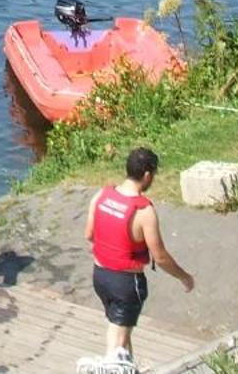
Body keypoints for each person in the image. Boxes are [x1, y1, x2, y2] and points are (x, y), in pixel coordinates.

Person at [82, 147, 194, 368]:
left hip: (100, 276)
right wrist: (184, 277)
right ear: (147, 175)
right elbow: (160, 257)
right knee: (116, 347)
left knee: (122, 331)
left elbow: (88, 234)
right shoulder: (144, 211)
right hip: (126, 283)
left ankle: (129, 367)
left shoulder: (102, 195)